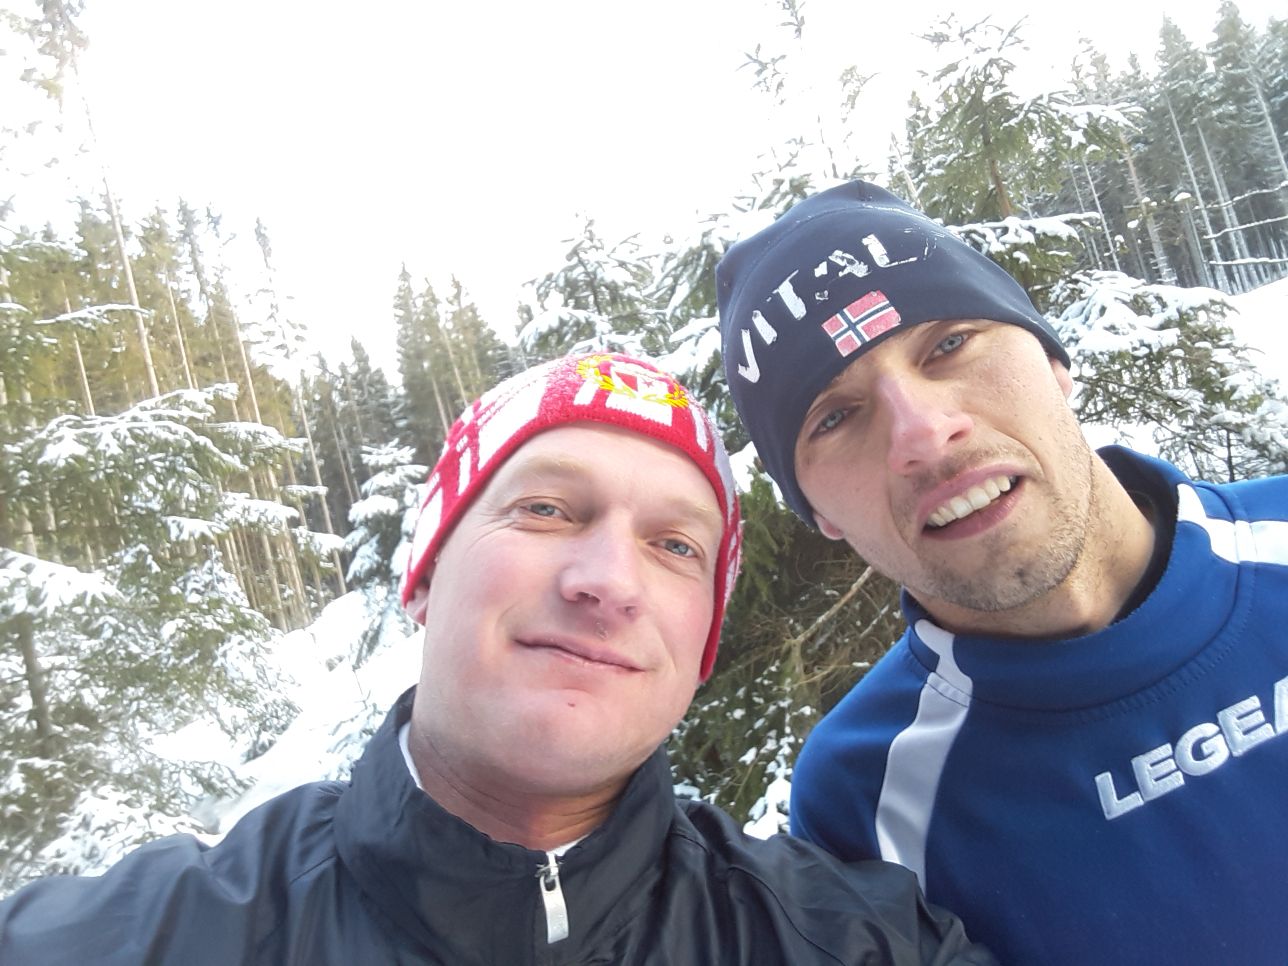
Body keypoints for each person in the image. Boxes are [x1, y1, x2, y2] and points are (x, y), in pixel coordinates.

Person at [0, 352, 995, 965]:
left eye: (674, 546)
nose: (609, 581)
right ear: (425, 576)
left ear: (701, 649)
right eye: (547, 509)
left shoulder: (859, 946)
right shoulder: (135, 940)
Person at [715, 179, 1288, 965]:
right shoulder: (864, 801)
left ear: (1052, 359)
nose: (924, 434)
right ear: (820, 514)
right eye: (836, 417)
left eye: (948, 344)